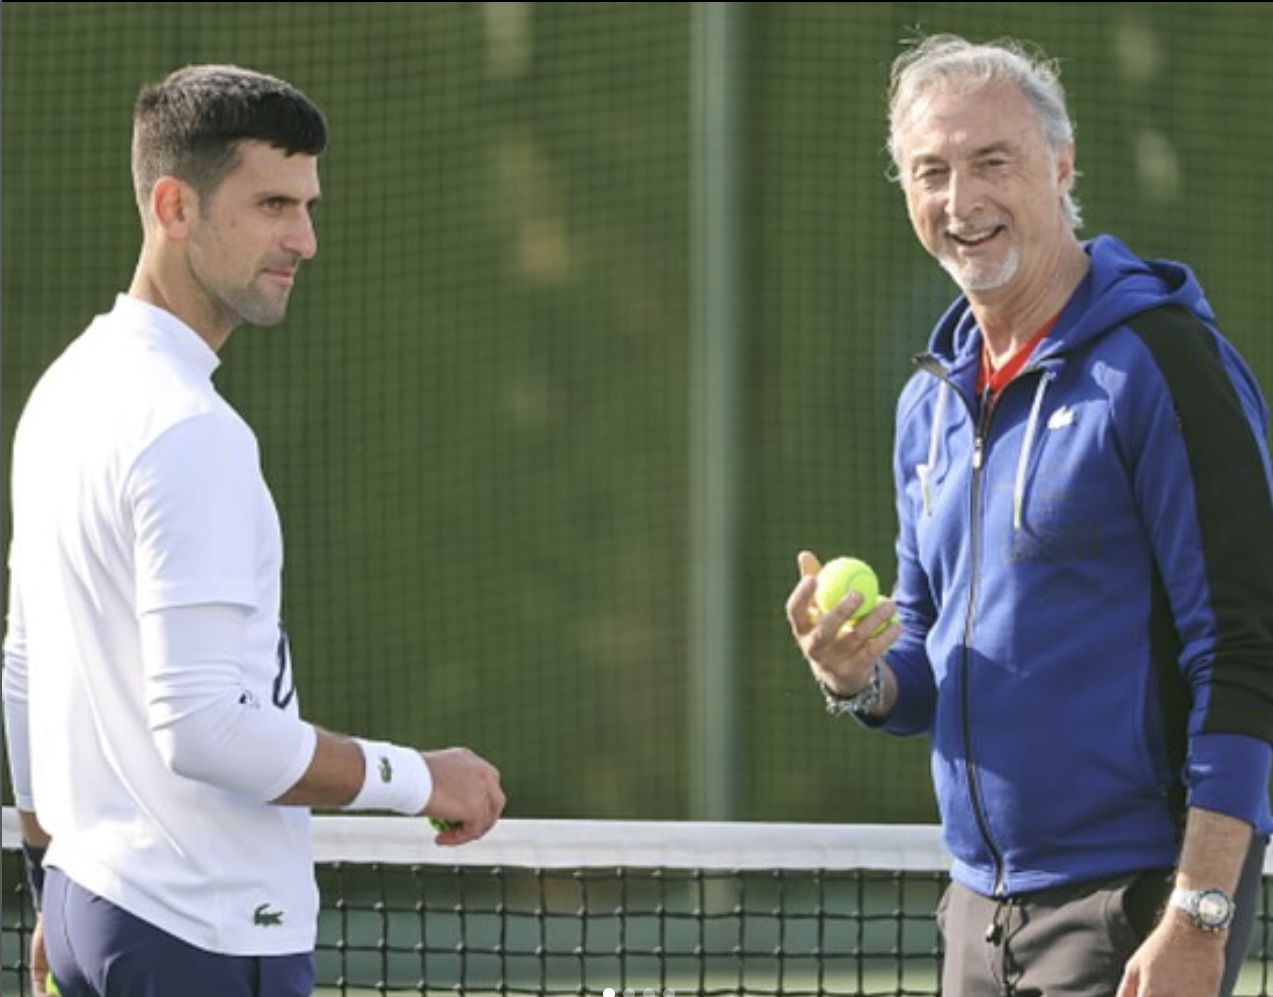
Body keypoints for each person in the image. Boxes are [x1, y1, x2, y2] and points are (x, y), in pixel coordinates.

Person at [1, 65, 506, 997]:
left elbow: (23, 666)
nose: (304, 239)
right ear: (173, 205)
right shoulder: (190, 431)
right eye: (273, 203)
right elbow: (206, 732)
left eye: (308, 205)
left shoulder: (65, 390)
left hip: (101, 908)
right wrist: (421, 778)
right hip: (198, 934)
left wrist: (56, 879)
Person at [785, 34, 1273, 997]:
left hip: (1134, 907)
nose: (961, 203)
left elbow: (1248, 649)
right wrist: (860, 677)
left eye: (990, 162)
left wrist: (1198, 913)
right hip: (974, 913)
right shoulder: (927, 402)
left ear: (1060, 166)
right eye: (931, 171)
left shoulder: (1163, 364)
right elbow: (924, 657)